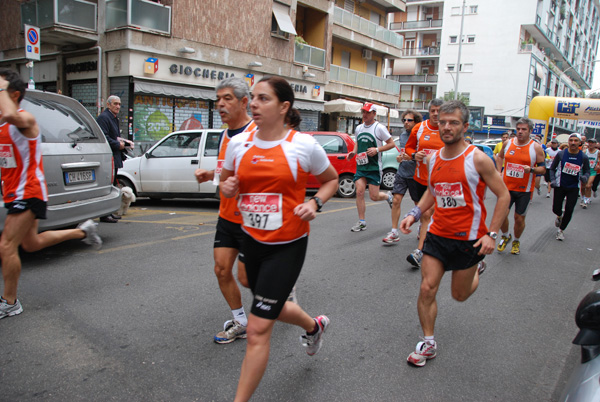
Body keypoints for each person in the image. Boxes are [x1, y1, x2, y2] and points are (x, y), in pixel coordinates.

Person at [220, 76, 338, 402]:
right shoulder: (238, 144)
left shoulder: (303, 145)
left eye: (263, 99)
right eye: (252, 98)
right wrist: (227, 187)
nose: (253, 104)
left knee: (258, 328)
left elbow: (330, 179)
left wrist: (315, 202)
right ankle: (314, 326)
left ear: (284, 107)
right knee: (266, 303)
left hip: (287, 246)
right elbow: (227, 180)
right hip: (251, 240)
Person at [399, 100, 510, 367]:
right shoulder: (433, 158)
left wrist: (491, 235)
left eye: (454, 123)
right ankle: (428, 343)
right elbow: (433, 192)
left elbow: (504, 195)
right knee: (427, 288)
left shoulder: (478, 159)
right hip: (437, 235)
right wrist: (414, 214)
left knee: (459, 295)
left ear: (465, 126)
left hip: (469, 239)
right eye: (443, 122)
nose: (446, 127)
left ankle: (476, 268)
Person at [0, 69, 102, 319]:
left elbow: (10, 113)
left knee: (6, 245)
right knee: (30, 243)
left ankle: (10, 301)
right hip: (14, 192)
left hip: (29, 191)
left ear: (13, 94)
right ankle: (83, 231)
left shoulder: (26, 120)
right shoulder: (3, 124)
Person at [194, 77, 256, 343]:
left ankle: (281, 291)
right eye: (218, 99)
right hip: (227, 216)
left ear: (244, 102)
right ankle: (241, 320)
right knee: (221, 269)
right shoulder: (224, 134)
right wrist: (210, 174)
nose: (220, 104)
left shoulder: (257, 134)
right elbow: (226, 170)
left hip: (254, 220)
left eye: (227, 98)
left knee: (249, 278)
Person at [495, 117, 546, 255]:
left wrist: (532, 170)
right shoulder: (508, 143)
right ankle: (506, 236)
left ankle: (516, 240)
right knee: (502, 215)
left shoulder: (535, 147)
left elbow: (543, 168)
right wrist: (499, 172)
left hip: (524, 189)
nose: (520, 132)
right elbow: (499, 157)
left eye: (524, 129)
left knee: (519, 218)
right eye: (518, 129)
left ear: (530, 131)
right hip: (506, 188)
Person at [404, 98, 444, 267]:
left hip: (440, 182)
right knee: (426, 216)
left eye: (439, 110)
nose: (435, 113)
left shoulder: (447, 129)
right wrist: (414, 155)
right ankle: (432, 236)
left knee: (427, 214)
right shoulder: (419, 128)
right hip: (420, 178)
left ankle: (419, 252)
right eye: (433, 110)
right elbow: (408, 147)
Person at [347, 102, 396, 232]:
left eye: (368, 112)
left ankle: (387, 196)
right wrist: (353, 152)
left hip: (374, 167)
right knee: (359, 192)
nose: (365, 115)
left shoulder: (379, 128)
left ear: (374, 114)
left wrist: (377, 149)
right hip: (361, 166)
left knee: (374, 196)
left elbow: (391, 144)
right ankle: (361, 221)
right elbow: (357, 142)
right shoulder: (359, 128)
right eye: (363, 112)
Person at [383, 109, 423, 244]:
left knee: (419, 205)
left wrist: (412, 157)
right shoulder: (403, 136)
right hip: (402, 172)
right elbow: (403, 153)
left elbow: (423, 155)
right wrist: (400, 158)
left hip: (416, 174)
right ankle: (394, 232)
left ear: (416, 122)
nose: (406, 123)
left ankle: (422, 227)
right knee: (396, 201)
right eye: (404, 120)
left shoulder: (421, 135)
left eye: (409, 120)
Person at [549, 133, 590, 240]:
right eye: (571, 140)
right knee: (556, 208)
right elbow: (552, 168)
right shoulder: (561, 154)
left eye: (576, 140)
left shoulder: (583, 157)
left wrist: (585, 177)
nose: (573, 142)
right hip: (560, 185)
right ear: (568, 142)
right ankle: (559, 216)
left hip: (573, 187)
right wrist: (552, 180)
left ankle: (561, 230)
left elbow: (587, 171)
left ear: (580, 143)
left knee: (569, 209)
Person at [97, 95, 126, 223]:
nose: (118, 106)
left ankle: (109, 212)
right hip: (109, 157)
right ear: (108, 105)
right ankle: (105, 214)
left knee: (113, 185)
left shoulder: (114, 118)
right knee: (108, 186)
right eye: (115, 104)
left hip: (115, 155)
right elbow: (104, 137)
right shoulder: (104, 117)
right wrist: (117, 144)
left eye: (119, 104)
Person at [583, 138, 599, 207]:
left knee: (588, 185)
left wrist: (599, 166)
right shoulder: (585, 151)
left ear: (595, 144)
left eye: (592, 143)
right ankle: (585, 197)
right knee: (583, 186)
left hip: (592, 170)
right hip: (584, 170)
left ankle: (586, 200)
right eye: (589, 142)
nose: (591, 144)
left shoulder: (598, 152)